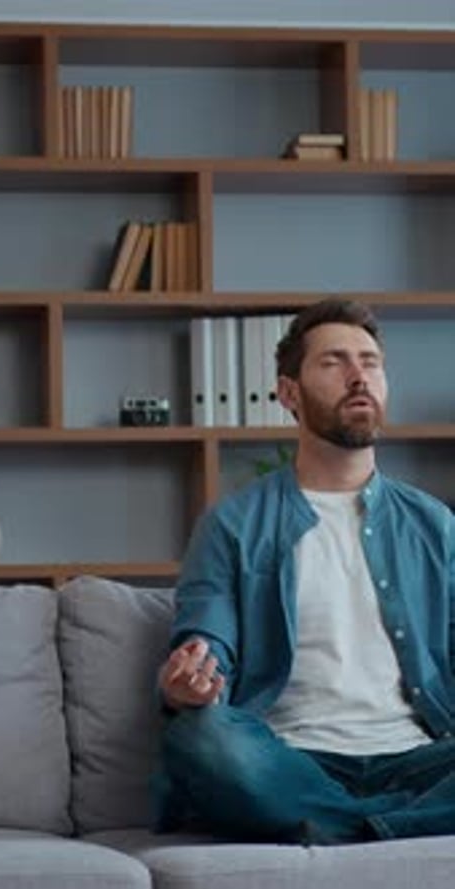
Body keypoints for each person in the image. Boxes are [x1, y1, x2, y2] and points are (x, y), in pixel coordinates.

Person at [155, 298, 455, 845]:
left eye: (370, 361)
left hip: (419, 756)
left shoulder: (434, 525)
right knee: (200, 739)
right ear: (288, 392)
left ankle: (341, 826)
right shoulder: (232, 525)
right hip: (291, 756)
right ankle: (402, 824)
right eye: (334, 362)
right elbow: (207, 641)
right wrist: (188, 682)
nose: (358, 375)